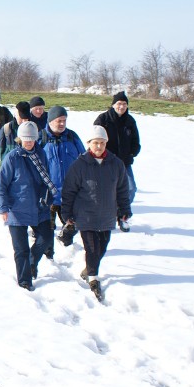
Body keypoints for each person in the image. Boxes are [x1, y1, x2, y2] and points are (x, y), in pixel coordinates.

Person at [61, 125, 131, 302]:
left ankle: (89, 269)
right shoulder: (80, 165)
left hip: (107, 214)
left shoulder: (116, 164)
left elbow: (122, 189)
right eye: (95, 143)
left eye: (102, 143)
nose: (99, 147)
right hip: (86, 215)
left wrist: (124, 210)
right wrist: (67, 212)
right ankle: (93, 278)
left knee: (102, 247)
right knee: (91, 247)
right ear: (89, 144)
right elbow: (69, 190)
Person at [0, 121, 54, 291]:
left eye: (32, 139)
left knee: (46, 239)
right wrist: (3, 207)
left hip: (38, 207)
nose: (29, 142)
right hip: (17, 210)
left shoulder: (41, 154)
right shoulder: (12, 157)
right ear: (19, 139)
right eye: (25, 139)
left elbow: (47, 180)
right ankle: (24, 281)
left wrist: (47, 198)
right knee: (21, 249)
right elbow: (0, 184)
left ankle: (32, 262)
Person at [37, 106, 86, 258]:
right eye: (59, 121)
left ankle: (66, 241)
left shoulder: (72, 137)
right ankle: (48, 255)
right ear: (51, 121)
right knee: (47, 228)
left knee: (77, 221)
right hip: (49, 193)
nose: (62, 124)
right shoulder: (41, 138)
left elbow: (84, 158)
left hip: (70, 192)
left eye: (64, 121)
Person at [94, 91, 141, 212]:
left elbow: (136, 142)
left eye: (125, 104)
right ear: (113, 105)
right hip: (106, 162)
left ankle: (120, 212)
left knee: (130, 188)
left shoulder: (130, 121)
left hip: (124, 163)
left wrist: (131, 154)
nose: (122, 106)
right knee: (106, 189)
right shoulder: (103, 119)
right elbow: (94, 139)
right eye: (119, 103)